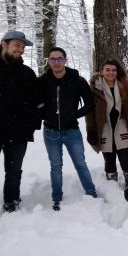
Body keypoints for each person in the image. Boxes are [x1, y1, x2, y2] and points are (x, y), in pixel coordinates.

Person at [38, 47, 97, 211]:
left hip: (72, 131)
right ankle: (56, 198)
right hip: (50, 132)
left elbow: (90, 103)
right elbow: (36, 102)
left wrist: (74, 115)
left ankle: (92, 194)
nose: (56, 62)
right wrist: (46, 115)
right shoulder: (42, 81)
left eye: (59, 59)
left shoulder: (77, 80)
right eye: (53, 59)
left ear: (65, 60)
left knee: (80, 163)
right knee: (56, 166)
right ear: (49, 61)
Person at [0, 30, 41, 212]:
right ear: (4, 44)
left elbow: (37, 101)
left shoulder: (26, 73)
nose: (20, 49)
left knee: (14, 172)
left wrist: (31, 126)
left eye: (22, 46)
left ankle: (11, 203)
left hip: (18, 133)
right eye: (17, 45)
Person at [86, 59, 128, 188]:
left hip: (121, 124)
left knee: (124, 154)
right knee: (108, 155)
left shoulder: (123, 86)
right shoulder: (94, 88)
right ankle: (111, 182)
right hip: (103, 126)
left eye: (114, 70)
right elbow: (90, 112)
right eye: (108, 70)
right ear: (102, 72)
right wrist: (91, 130)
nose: (111, 72)